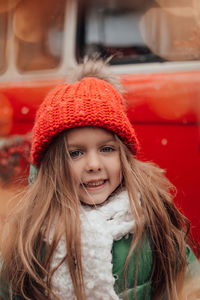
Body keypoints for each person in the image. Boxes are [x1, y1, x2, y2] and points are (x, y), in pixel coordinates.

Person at [0, 59, 199, 300]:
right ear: (53, 166)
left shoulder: (150, 216)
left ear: (123, 155)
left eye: (106, 149)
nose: (94, 165)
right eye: (76, 153)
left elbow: (188, 281)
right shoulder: (31, 234)